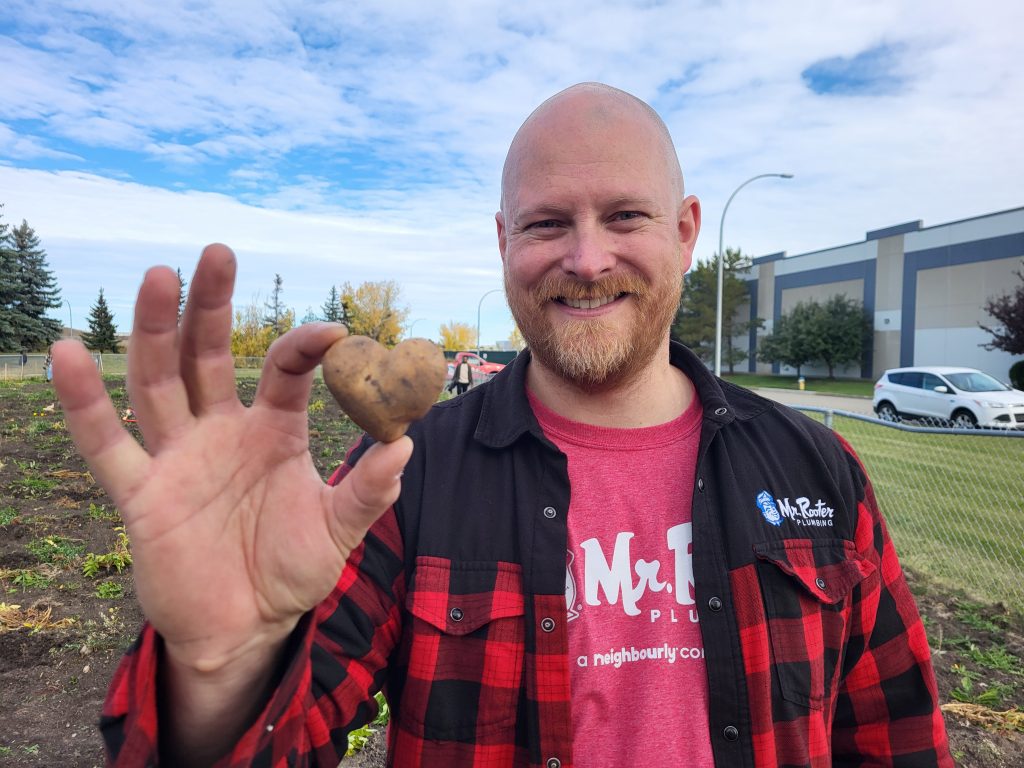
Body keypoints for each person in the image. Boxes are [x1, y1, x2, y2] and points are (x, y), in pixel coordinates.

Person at [51, 83, 952, 768]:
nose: (587, 258)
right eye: (548, 222)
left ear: (683, 233)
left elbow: (900, 739)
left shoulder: (816, 474)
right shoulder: (408, 476)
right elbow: (284, 739)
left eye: (625, 216)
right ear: (503, 243)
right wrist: (221, 669)